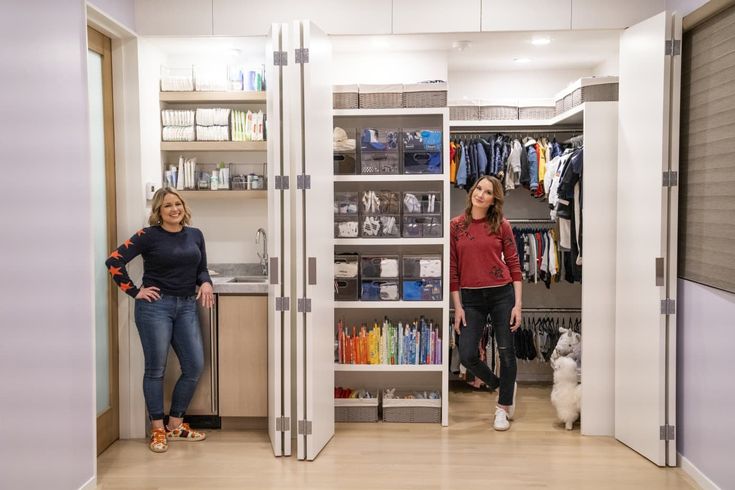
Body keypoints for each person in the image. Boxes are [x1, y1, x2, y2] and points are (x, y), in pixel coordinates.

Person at [105, 188, 215, 453]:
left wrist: (207, 283)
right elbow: (114, 261)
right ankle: (157, 429)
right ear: (158, 211)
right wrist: (135, 291)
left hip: (187, 306)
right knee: (156, 370)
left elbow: (201, 268)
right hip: (155, 307)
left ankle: (175, 424)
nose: (174, 209)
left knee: (194, 366)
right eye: (167, 206)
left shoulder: (195, 234)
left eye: (177, 204)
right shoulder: (148, 236)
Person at [450, 176, 523, 431]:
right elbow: (453, 270)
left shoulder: (502, 225)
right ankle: (501, 386)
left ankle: (502, 409)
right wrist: (457, 307)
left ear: (494, 200)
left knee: (506, 352)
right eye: (479, 188)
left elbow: (514, 265)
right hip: (470, 298)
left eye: (488, 192)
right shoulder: (455, 227)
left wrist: (518, 305)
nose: (481, 194)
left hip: (502, 294)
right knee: (467, 353)